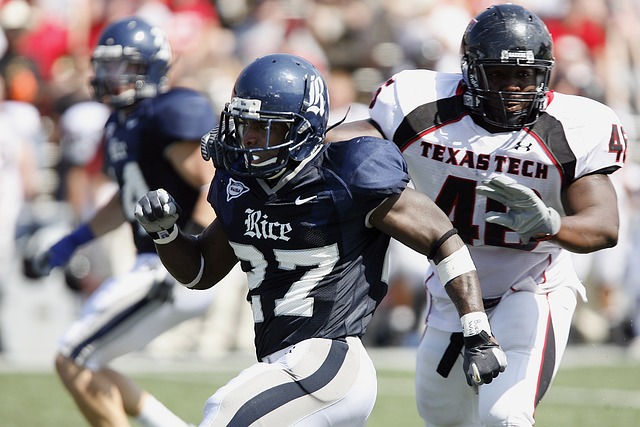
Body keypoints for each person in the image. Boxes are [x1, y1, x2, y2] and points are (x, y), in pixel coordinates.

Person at [133, 53, 506, 426]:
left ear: (299, 130)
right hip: (281, 362)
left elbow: (442, 238)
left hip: (330, 359)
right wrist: (165, 234)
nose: (247, 138)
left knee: (226, 411)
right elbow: (201, 272)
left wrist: (476, 330)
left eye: (263, 128)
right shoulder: (240, 186)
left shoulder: (347, 173)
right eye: (243, 123)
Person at [326, 4, 626, 426]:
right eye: (499, 75)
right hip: (451, 288)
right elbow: (355, 146)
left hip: (532, 285)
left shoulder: (569, 128)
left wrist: (551, 225)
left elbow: (605, 224)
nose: (513, 89)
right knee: (442, 418)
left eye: (525, 76)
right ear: (469, 71)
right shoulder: (419, 105)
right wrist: (305, 148)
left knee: (504, 416)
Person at [25, 17, 218, 427]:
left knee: (72, 357)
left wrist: (193, 252)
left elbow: (212, 184)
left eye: (123, 66)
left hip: (172, 265)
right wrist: (71, 242)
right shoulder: (121, 123)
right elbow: (126, 198)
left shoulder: (168, 111)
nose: (110, 76)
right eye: (106, 66)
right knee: (89, 360)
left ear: (152, 67)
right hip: (149, 263)